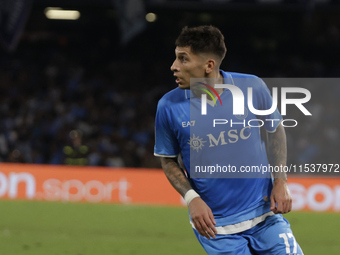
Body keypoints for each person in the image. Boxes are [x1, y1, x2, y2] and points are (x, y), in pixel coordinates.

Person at [154, 25, 304, 255]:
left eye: (183, 59)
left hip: (266, 214)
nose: (174, 66)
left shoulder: (252, 87)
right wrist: (191, 198)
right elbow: (168, 159)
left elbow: (275, 129)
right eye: (176, 58)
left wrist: (280, 180)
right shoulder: (168, 106)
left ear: (209, 65)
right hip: (216, 226)